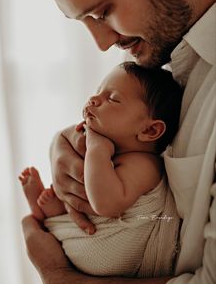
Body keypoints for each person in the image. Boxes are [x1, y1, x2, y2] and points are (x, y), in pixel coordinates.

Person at [7, 0, 216, 283]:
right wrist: (67, 145)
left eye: (103, 12)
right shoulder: (177, 56)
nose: (103, 43)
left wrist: (59, 275)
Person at [19, 62, 182, 277]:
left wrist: (97, 148)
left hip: (111, 253)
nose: (93, 99)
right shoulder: (111, 153)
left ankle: (50, 216)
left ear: (150, 129)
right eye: (97, 92)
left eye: (112, 98)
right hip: (87, 237)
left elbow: (106, 204)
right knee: (68, 195)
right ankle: (51, 214)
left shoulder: (144, 165)